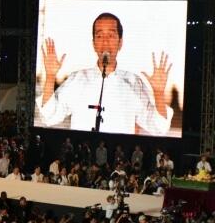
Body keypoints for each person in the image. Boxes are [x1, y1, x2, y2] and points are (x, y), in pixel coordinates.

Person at [36, 12, 174, 135]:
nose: (105, 41)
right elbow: (49, 116)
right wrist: (50, 77)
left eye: (111, 35)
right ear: (94, 43)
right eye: (100, 35)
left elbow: (158, 127)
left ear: (120, 43)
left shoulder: (134, 82)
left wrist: (159, 93)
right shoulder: (78, 79)